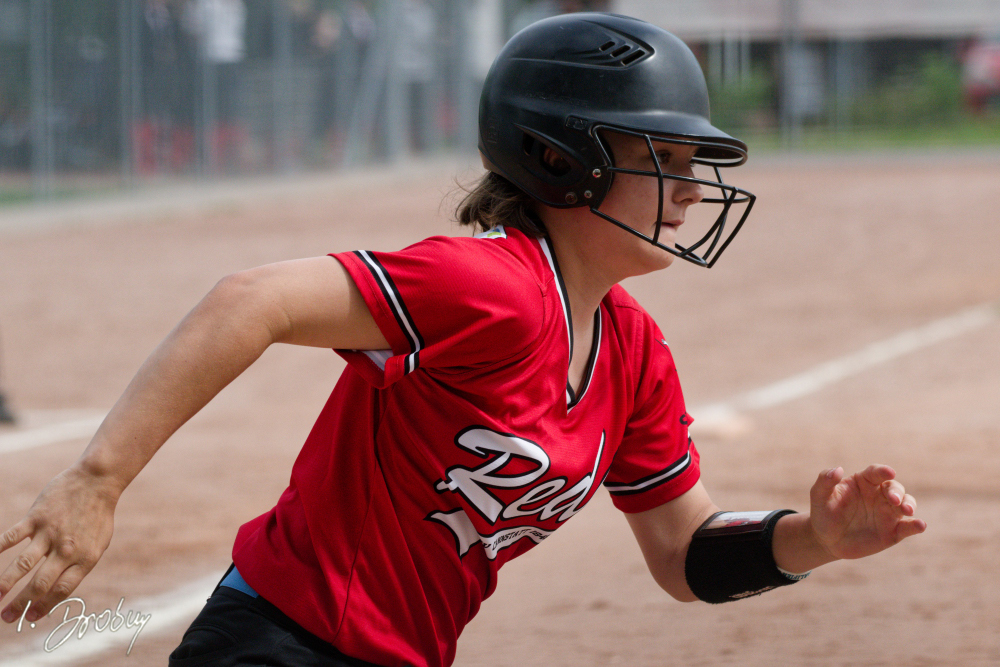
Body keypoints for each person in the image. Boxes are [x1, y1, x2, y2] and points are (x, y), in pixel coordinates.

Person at [0, 14, 925, 667]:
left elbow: (684, 553)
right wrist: (98, 479)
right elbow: (251, 300)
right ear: (562, 159)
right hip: (279, 640)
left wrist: (814, 539)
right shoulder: (495, 286)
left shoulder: (634, 354)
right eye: (665, 157)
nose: (690, 189)